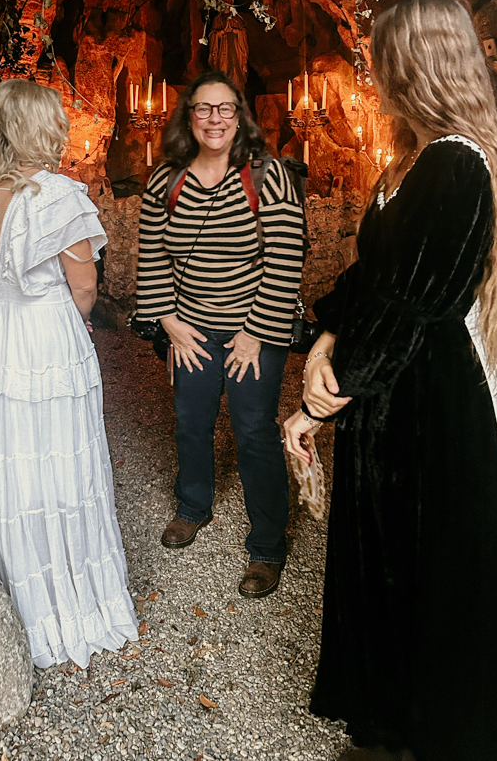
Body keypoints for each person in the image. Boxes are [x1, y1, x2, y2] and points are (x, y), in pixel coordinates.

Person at [284, 0, 497, 761]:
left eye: (383, 60)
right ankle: (393, 725)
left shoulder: (458, 164)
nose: (373, 76)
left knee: (428, 562)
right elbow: (374, 278)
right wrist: (324, 339)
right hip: (393, 394)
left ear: (418, 65)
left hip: (427, 401)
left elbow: (415, 303)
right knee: (390, 559)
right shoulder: (413, 159)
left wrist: (326, 397)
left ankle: (438, 735)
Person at [0, 78, 137, 669]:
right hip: (41, 337)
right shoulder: (60, 198)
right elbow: (84, 288)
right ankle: (66, 600)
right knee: (58, 460)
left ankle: (12, 601)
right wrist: (69, 324)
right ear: (40, 130)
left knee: (2, 462)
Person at [136, 70, 305, 599]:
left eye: (225, 108)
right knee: (190, 420)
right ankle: (192, 506)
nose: (215, 119)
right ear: (189, 116)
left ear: (240, 116)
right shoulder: (165, 182)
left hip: (253, 327)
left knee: (253, 430)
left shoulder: (268, 177)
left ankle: (267, 545)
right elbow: (152, 255)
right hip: (190, 327)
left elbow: (286, 259)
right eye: (204, 108)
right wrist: (169, 321)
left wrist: (255, 332)